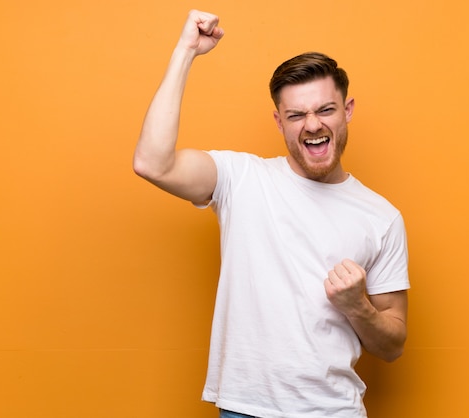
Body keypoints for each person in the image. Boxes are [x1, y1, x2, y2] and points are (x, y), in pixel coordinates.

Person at [133, 9, 409, 418]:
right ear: (279, 122)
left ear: (347, 110)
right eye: (296, 115)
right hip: (244, 408)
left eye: (325, 110)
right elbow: (152, 163)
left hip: (333, 411)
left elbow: (392, 345)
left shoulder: (382, 216)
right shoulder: (241, 178)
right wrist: (185, 51)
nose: (312, 125)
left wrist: (358, 306)